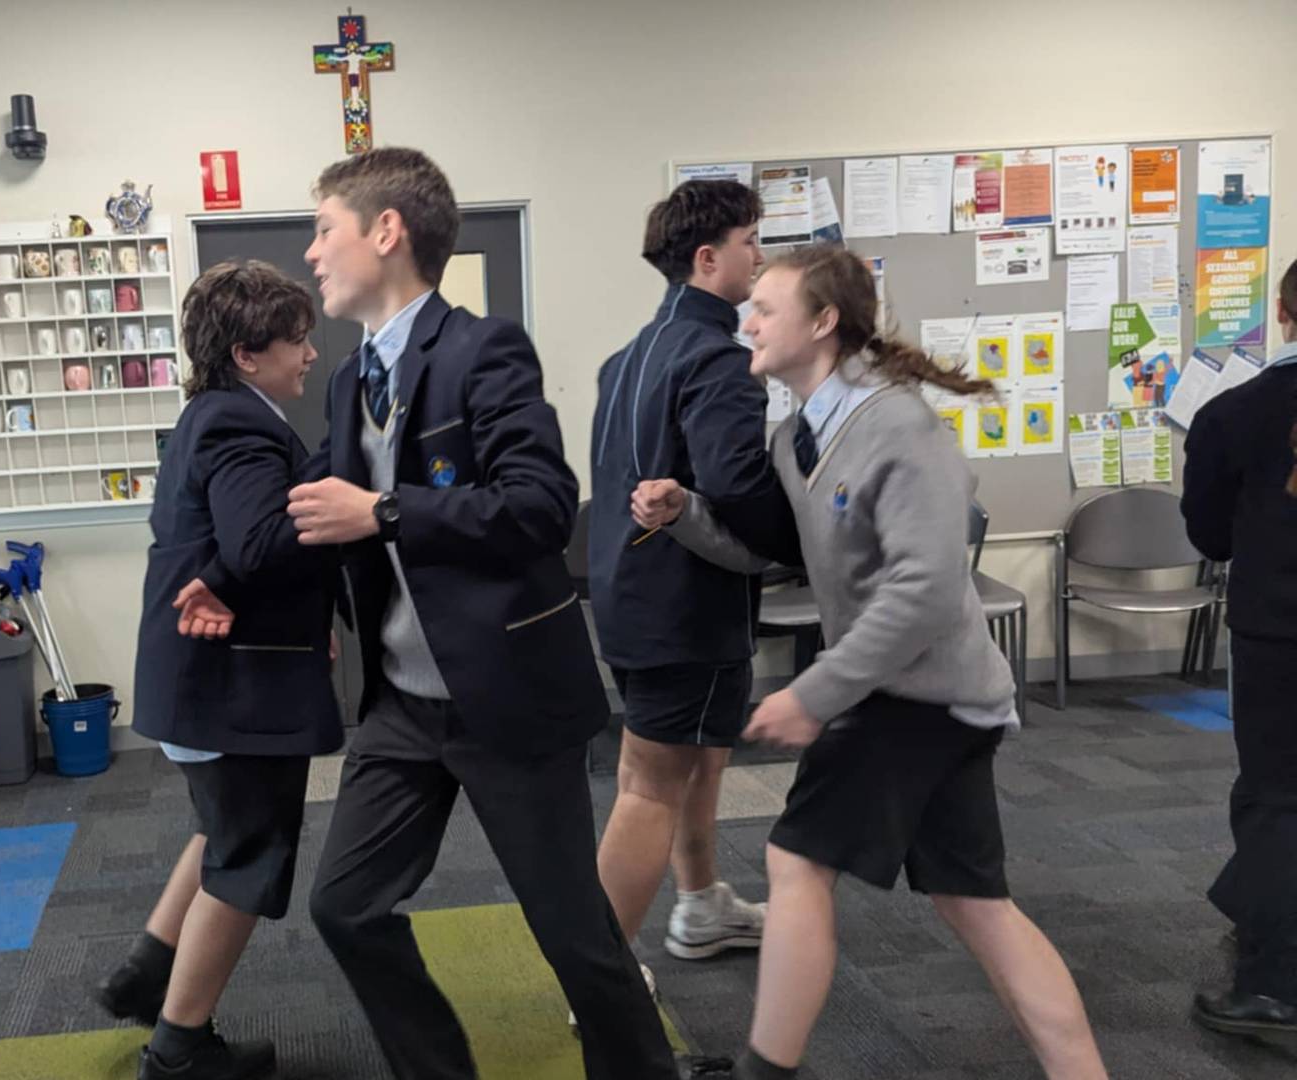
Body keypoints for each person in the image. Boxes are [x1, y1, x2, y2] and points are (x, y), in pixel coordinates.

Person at [637, 244, 1107, 1080]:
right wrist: (685, 515)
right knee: (976, 905)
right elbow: (777, 551)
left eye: (766, 309)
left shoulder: (898, 427)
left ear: (823, 322)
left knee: (796, 859)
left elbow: (924, 590)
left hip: (920, 696)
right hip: (913, 695)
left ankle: (765, 1073)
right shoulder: (797, 437)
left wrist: (814, 694)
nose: (748, 323)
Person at [282, 147, 678, 1079]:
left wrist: (384, 511)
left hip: (506, 695)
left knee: (573, 934)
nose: (311, 252)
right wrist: (215, 576)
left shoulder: (482, 349)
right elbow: (314, 509)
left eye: (325, 229)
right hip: (403, 704)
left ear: (387, 231)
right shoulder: (348, 380)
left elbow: (539, 506)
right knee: (344, 906)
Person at [95, 260, 342, 1080]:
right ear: (246, 353)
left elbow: (231, 543)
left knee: (221, 830)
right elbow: (258, 543)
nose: (310, 354)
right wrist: (338, 472)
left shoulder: (210, 413)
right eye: (296, 340)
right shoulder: (243, 424)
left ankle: (147, 976)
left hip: (200, 679)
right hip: (233, 687)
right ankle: (178, 1050)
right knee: (247, 858)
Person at [585, 179, 771, 1000]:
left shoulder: (627, 358)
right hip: (685, 605)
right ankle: (600, 978)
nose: (760, 257)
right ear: (707, 258)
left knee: (700, 757)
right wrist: (798, 542)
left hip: (633, 595)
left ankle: (700, 905)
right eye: (749, 242)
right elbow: (739, 484)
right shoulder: (715, 359)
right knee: (650, 784)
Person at [1180, 256, 1297, 1043]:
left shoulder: (1235, 414)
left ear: (1283, 312)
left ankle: (1272, 988)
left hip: (1279, 633)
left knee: (1276, 799)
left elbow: (1211, 535)